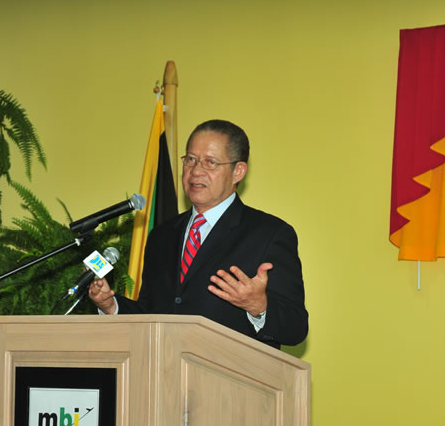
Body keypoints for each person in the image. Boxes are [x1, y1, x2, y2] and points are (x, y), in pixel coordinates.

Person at [89, 119, 308, 348]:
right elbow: (151, 313)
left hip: (231, 378)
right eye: (190, 160)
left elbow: (295, 328)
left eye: (210, 163)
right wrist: (111, 306)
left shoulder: (269, 234)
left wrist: (258, 306)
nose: (196, 171)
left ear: (238, 171)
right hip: (162, 374)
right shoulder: (161, 236)